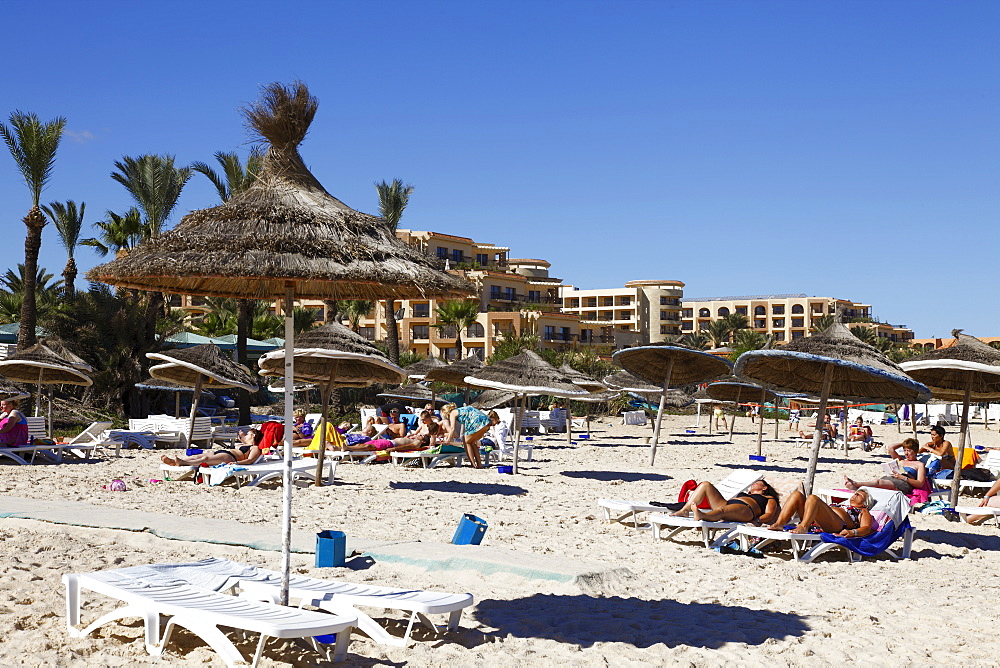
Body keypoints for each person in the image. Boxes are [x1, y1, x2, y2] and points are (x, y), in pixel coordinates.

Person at [766, 488, 877, 536]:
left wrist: (853, 533)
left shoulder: (863, 511)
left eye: (860, 495)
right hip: (816, 521)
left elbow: (866, 528)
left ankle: (803, 526)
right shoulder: (844, 504)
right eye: (856, 493)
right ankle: (780, 524)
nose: (855, 494)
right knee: (797, 495)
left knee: (813, 498)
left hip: (837, 525)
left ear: (865, 503)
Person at [670, 479, 781, 524]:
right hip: (728, 504)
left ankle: (703, 515)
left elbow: (770, 514)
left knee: (722, 510)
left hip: (746, 510)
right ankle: (685, 510)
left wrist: (756, 520)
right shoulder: (746, 494)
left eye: (757, 483)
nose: (753, 484)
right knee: (705, 484)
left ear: (765, 488)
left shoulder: (769, 499)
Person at [845, 439, 926, 494]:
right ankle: (858, 490)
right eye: (904, 450)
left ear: (915, 451)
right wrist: (905, 442)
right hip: (892, 479)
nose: (906, 453)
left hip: (904, 484)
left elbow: (920, 484)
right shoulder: (901, 460)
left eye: (909, 450)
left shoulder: (919, 465)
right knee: (878, 483)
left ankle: (856, 484)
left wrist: (904, 478)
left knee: (878, 482)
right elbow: (891, 447)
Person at [161, 428, 264, 466]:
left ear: (253, 436)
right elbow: (243, 441)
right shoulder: (243, 444)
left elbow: (250, 460)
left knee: (205, 459)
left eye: (248, 433)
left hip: (230, 457)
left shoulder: (254, 448)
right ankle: (174, 462)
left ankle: (182, 462)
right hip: (223, 452)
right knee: (198, 456)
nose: (245, 434)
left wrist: (237, 463)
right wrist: (242, 437)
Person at [441, 402, 490, 469]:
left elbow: (452, 428)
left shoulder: (453, 413)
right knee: (472, 442)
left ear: (446, 413)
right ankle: (479, 464)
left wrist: (448, 440)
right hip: (486, 422)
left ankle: (473, 464)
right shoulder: (460, 410)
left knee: (466, 441)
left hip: (476, 421)